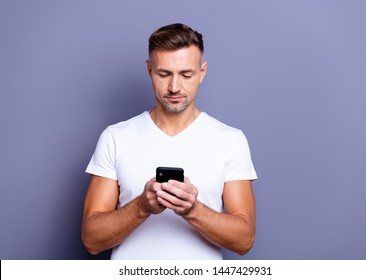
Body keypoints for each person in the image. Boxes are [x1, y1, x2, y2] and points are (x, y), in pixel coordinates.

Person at [82, 23, 257, 260]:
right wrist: (142, 206)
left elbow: (244, 240)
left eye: (186, 74)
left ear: (202, 72)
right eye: (164, 74)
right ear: (149, 70)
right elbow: (91, 240)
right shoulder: (115, 137)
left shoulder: (231, 141)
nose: (174, 87)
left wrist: (193, 210)